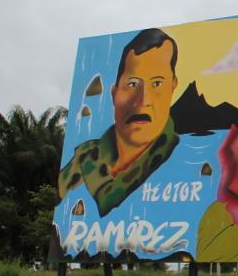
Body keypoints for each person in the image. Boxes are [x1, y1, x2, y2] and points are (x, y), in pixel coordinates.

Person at [59, 28, 180, 214]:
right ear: (115, 94)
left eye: (157, 83)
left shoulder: (188, 157)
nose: (142, 101)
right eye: (132, 84)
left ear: (173, 87)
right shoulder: (83, 159)